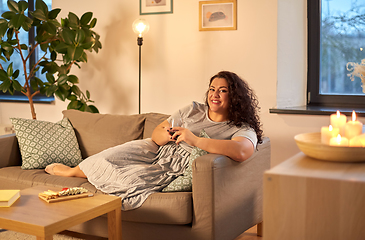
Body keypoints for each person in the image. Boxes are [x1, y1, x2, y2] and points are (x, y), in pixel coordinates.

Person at [45, 71, 263, 210]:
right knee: (109, 156)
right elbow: (158, 133)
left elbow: (242, 151)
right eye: (212, 89)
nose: (215, 94)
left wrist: (194, 139)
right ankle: (74, 171)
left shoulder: (240, 127)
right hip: (155, 148)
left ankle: (77, 175)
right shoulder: (193, 110)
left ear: (233, 96)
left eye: (222, 91)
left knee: (132, 180)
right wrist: (168, 133)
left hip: (176, 163)